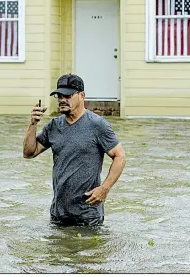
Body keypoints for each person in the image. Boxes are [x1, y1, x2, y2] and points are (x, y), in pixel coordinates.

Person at [23, 73, 125, 227]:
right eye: (59, 95)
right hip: (59, 214)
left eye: (68, 95)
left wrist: (104, 188)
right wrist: (32, 124)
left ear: (82, 96)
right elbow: (29, 153)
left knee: (90, 251)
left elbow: (120, 156)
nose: (62, 99)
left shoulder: (97, 125)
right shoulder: (54, 126)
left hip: (88, 215)